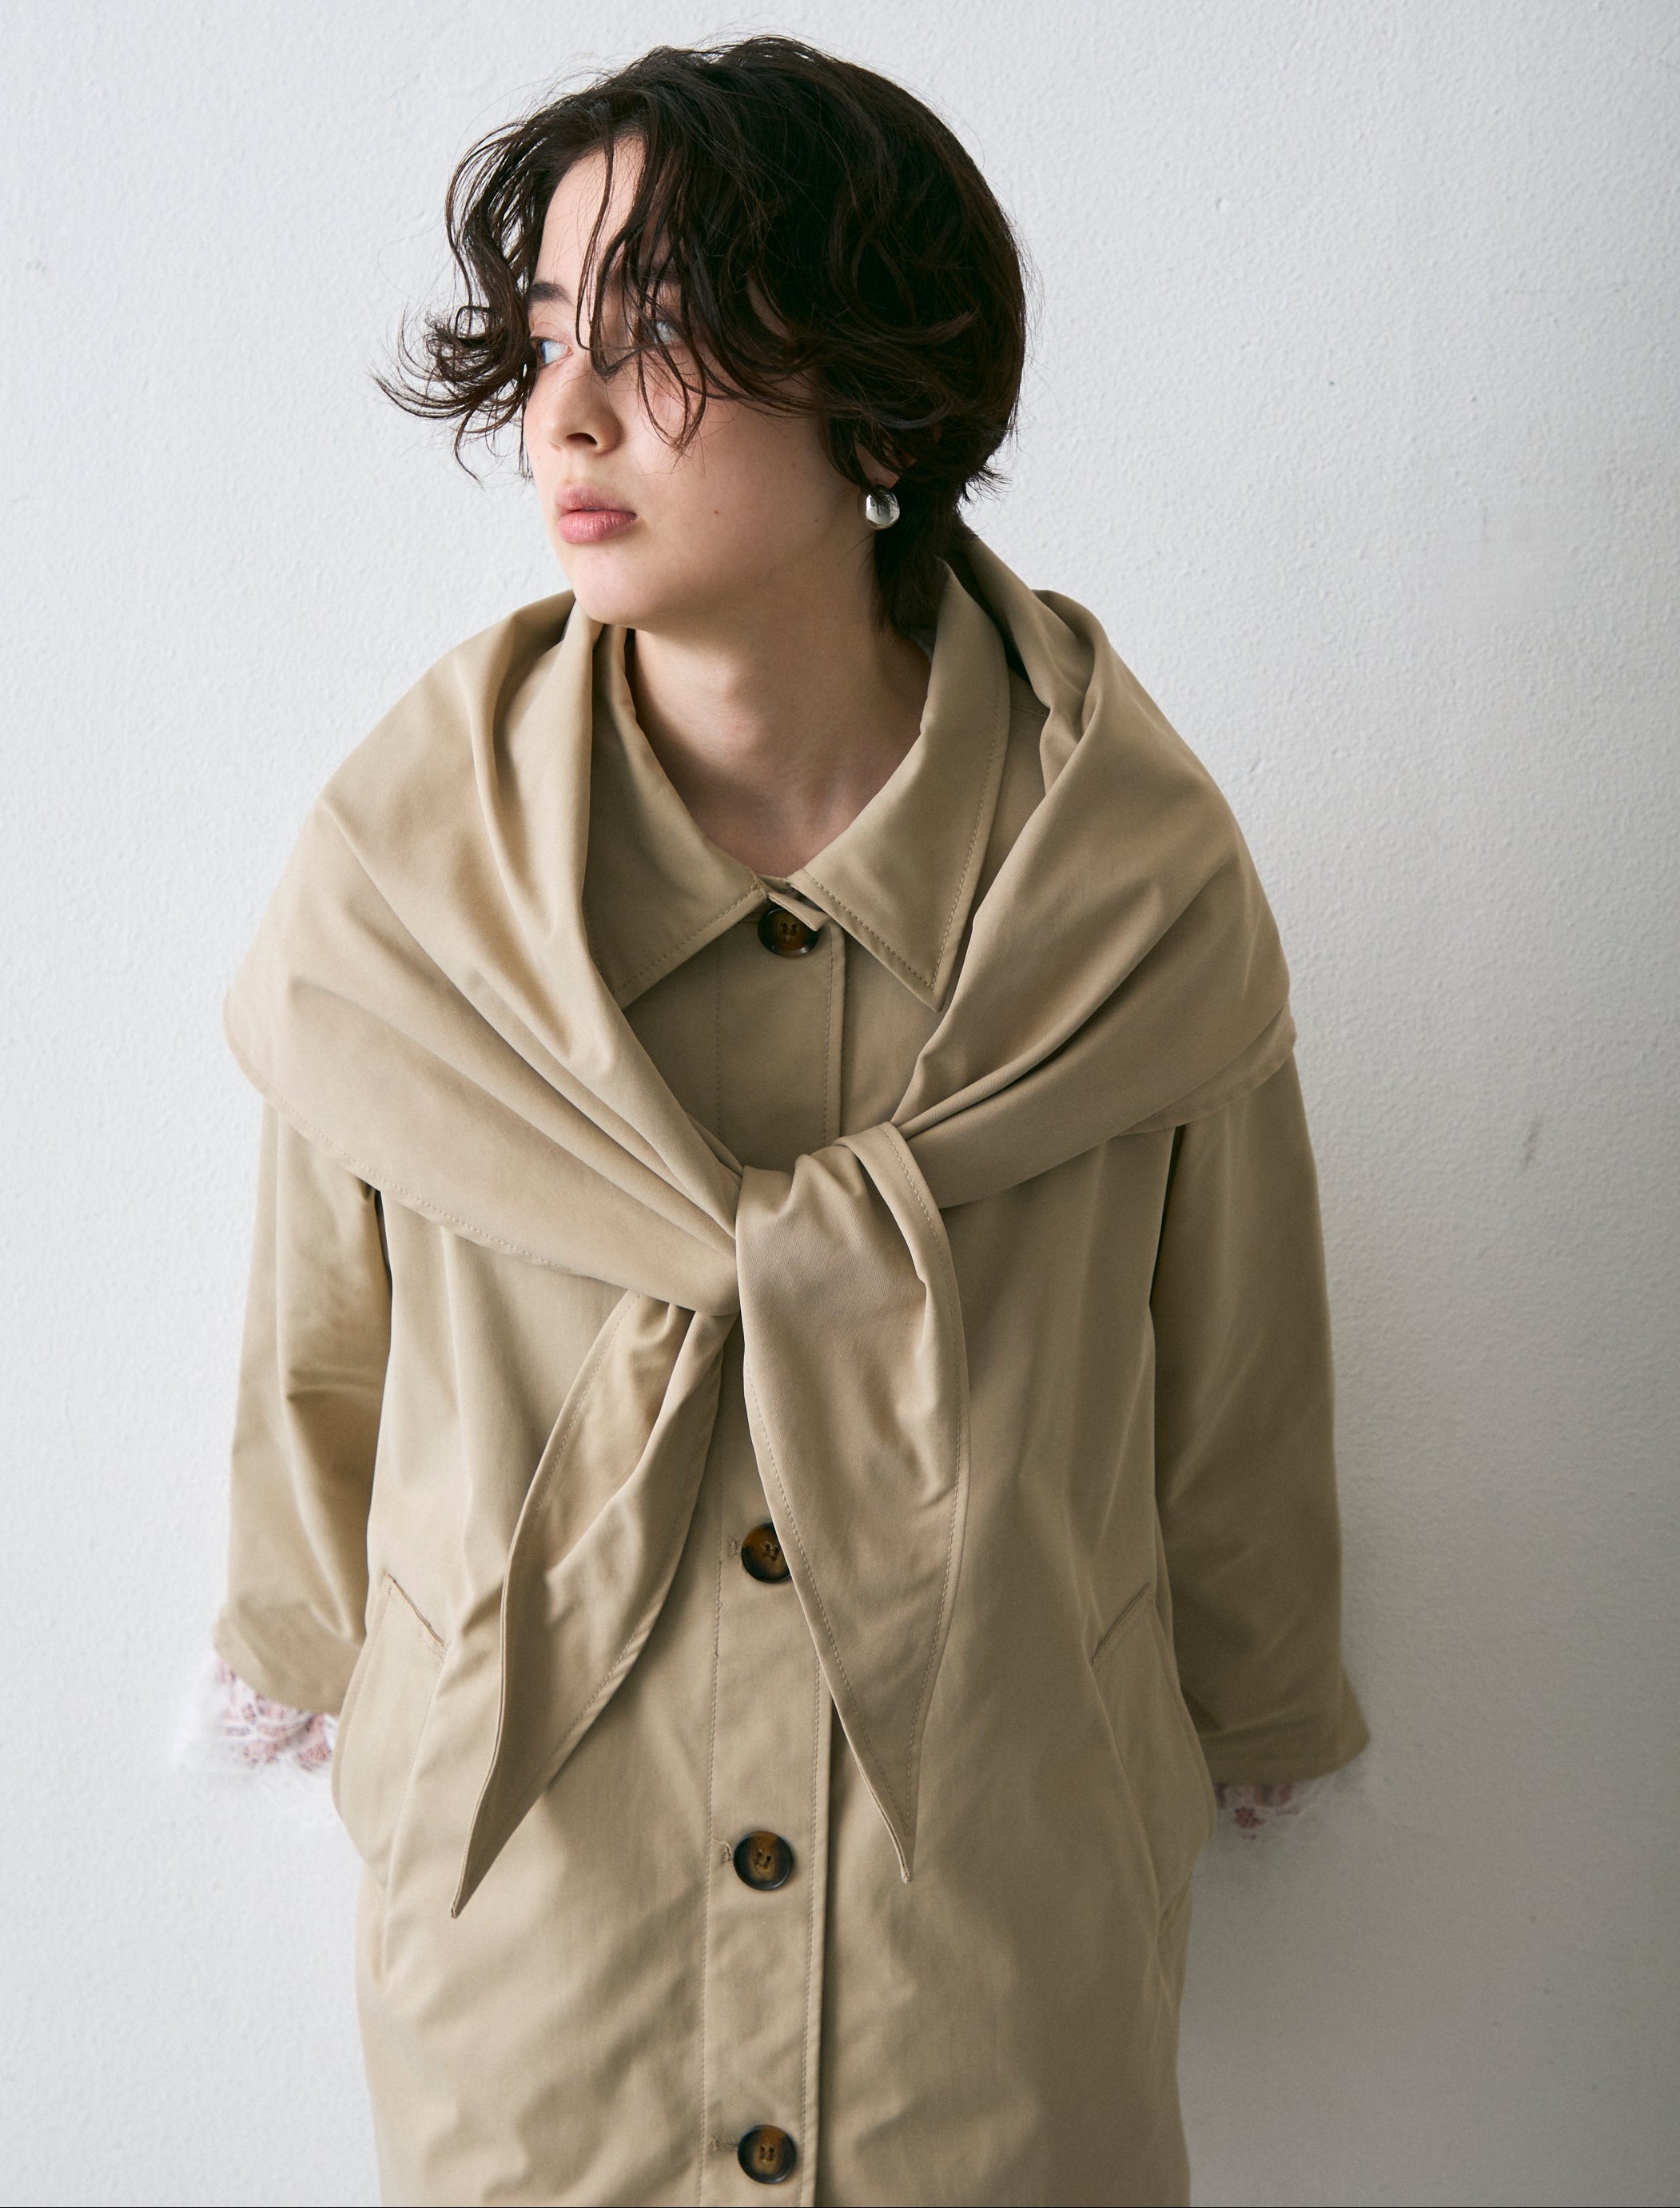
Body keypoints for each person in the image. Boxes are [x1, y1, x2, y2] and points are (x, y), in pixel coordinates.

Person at [205, 34, 1371, 2206]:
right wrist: (299, 1654)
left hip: (989, 1978)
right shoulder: (407, 891)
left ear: (877, 392)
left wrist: (1264, 1689)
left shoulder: (1131, 895)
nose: (564, 413)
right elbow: (317, 1377)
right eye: (547, 333)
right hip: (539, 1972)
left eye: (654, 334)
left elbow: (1236, 1392)